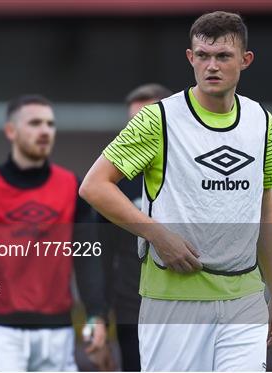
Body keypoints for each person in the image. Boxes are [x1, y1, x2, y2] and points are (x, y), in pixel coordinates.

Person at [80, 11, 272, 371]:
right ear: (190, 58)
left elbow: (265, 208)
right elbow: (94, 186)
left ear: (245, 60)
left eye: (223, 56)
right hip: (173, 301)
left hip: (245, 299)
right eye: (203, 56)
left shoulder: (261, 120)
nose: (212, 66)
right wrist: (158, 234)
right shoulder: (156, 119)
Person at [0, 94, 107, 371]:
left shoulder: (73, 187)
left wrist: (97, 315)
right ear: (11, 131)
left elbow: (87, 259)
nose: (45, 131)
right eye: (35, 123)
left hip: (57, 331)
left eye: (50, 124)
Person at [98, 84, 172, 371]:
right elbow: (100, 255)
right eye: (133, 124)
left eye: (147, 122)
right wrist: (99, 319)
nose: (138, 133)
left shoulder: (196, 172)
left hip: (190, 304)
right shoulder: (110, 182)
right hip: (133, 308)